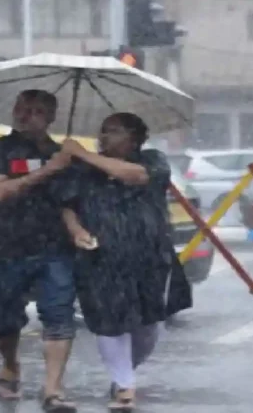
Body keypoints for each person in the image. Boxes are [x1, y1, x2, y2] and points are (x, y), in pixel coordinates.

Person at [55, 113, 192, 411]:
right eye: (103, 131)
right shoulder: (81, 169)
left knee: (147, 324)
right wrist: (76, 230)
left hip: (148, 255)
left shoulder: (153, 160)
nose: (105, 137)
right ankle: (125, 386)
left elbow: (135, 176)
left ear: (135, 138)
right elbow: (67, 206)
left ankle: (124, 371)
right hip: (101, 256)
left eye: (114, 131)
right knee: (109, 321)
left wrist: (82, 152)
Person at [0, 89, 77, 411]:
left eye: (36, 111)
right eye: (22, 109)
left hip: (54, 248)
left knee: (59, 314)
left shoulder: (64, 153)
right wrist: (48, 169)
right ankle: (10, 364)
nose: (27, 115)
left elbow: (71, 202)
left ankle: (53, 389)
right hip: (7, 245)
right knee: (6, 319)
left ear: (50, 117)